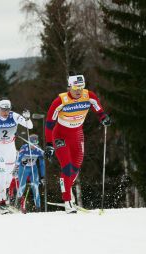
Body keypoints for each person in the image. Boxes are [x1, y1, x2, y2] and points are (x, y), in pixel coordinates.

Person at [44, 74, 111, 213]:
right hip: (60, 136)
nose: (79, 91)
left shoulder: (89, 96)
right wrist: (49, 144)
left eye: (81, 87)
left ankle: (67, 186)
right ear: (69, 87)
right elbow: (49, 124)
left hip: (77, 134)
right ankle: (67, 200)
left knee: (75, 168)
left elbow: (99, 110)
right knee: (67, 168)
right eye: (75, 88)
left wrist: (103, 117)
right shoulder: (60, 101)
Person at [16, 134, 45, 213]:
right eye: (32, 144)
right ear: (29, 143)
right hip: (24, 168)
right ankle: (19, 198)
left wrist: (42, 176)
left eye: (35, 144)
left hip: (33, 168)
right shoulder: (24, 148)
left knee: (35, 186)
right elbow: (18, 160)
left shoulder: (38, 149)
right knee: (22, 186)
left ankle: (38, 207)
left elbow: (42, 164)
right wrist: (19, 163)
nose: (34, 146)